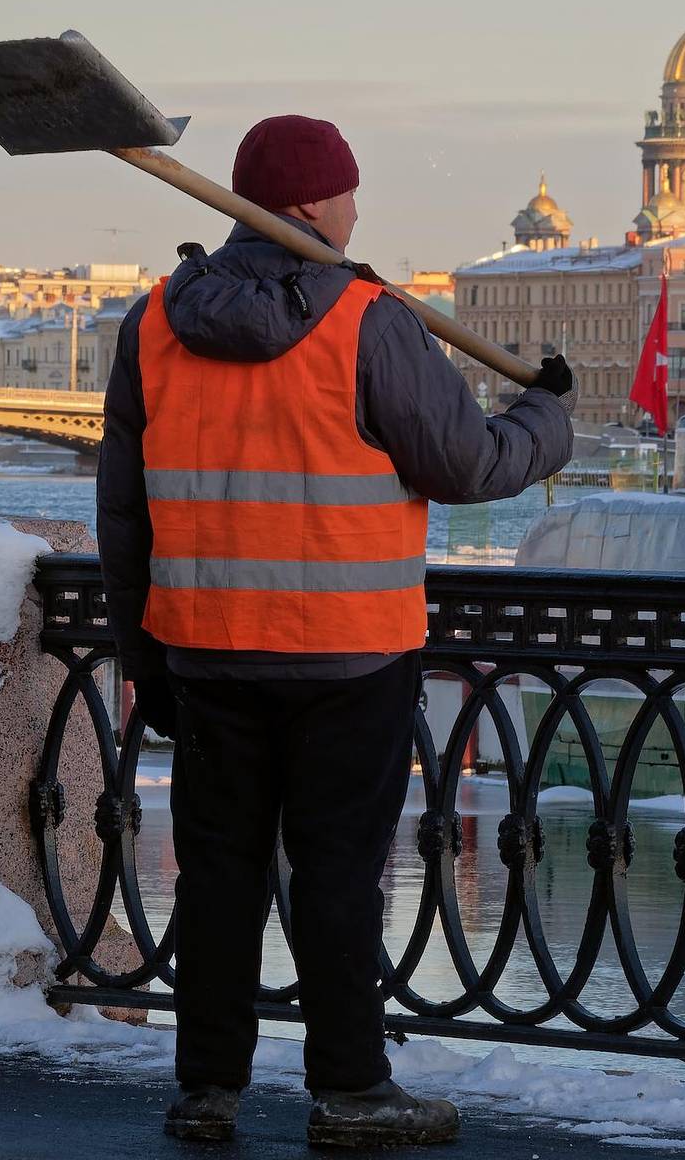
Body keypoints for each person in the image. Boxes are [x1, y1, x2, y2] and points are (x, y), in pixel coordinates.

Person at [97, 115, 576, 1146]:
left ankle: (207, 1088)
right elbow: (468, 466)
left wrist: (148, 656)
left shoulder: (150, 324)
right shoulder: (367, 319)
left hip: (207, 645)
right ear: (315, 204)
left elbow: (125, 517)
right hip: (348, 652)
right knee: (338, 876)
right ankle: (351, 1088)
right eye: (351, 194)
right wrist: (548, 415)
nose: (358, 211)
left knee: (218, 873)